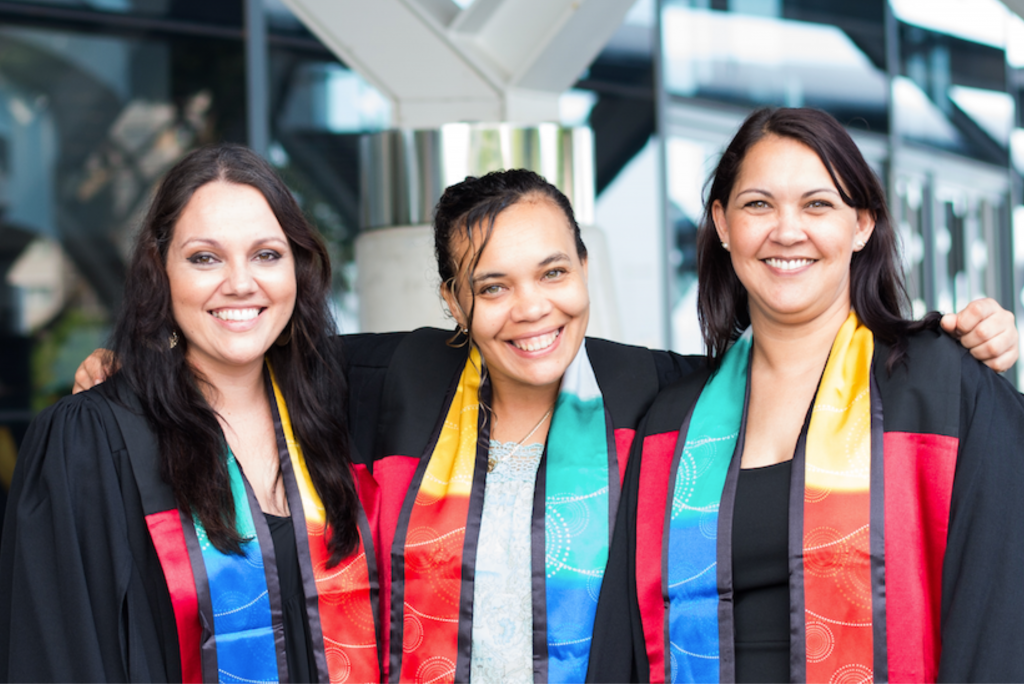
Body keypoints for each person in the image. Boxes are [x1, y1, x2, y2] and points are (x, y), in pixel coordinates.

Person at [73, 169, 1018, 684]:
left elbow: (801, 371)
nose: (532, 310)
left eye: (554, 273)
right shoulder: (395, 385)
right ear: (454, 301)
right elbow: (255, 336)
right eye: (493, 285)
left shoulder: (663, 399)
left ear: (585, 269)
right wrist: (136, 362)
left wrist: (947, 333)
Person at [589, 107, 1024, 683]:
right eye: (757, 205)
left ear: (862, 224)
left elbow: (1001, 611)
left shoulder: (943, 390)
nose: (787, 231)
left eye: (817, 204)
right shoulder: (672, 425)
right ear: (722, 224)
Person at [0, 145, 382, 683]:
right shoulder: (97, 442)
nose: (241, 283)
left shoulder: (347, 409)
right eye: (205, 258)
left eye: (266, 255)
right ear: (161, 271)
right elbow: (60, 659)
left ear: (297, 266)